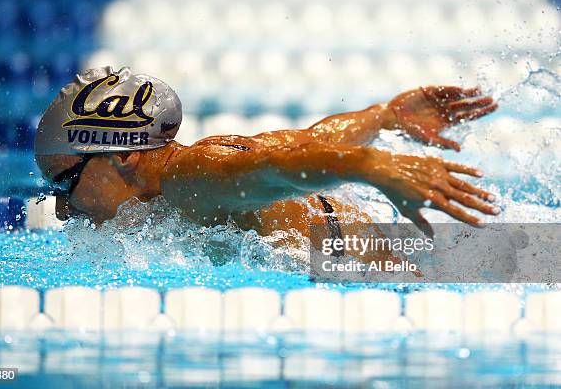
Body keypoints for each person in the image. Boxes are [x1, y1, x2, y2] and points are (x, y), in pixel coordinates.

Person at [35, 67, 499, 254]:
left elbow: (275, 170)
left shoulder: (186, 180)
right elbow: (302, 143)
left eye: (65, 183)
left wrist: (372, 167)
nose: (63, 207)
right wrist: (385, 115)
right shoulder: (204, 163)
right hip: (397, 250)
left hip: (375, 271)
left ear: (121, 155)